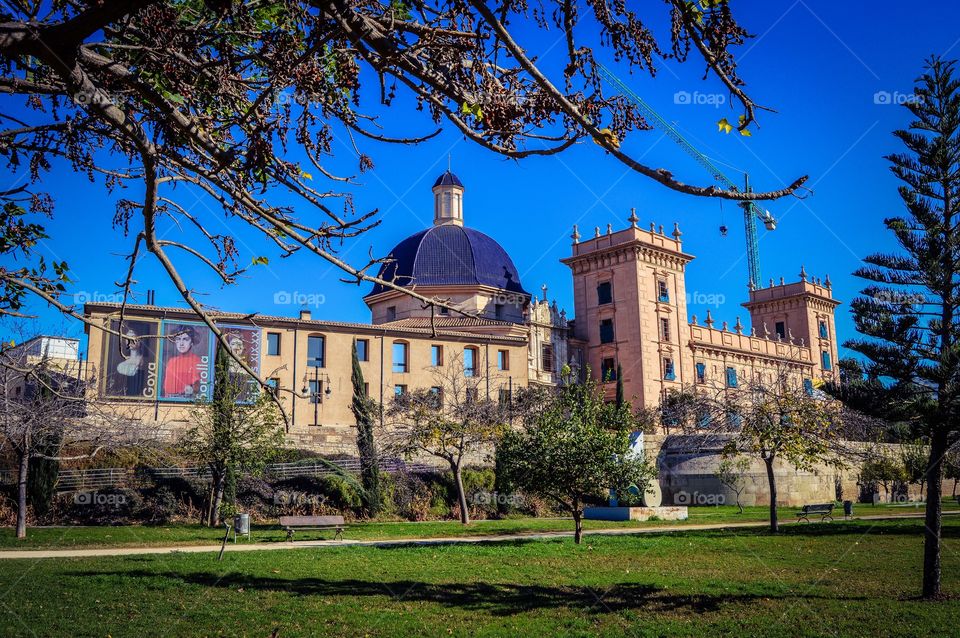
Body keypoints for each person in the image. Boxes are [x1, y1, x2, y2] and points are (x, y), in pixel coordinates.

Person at [162, 326, 202, 397]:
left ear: (192, 342)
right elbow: (166, 389)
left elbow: (197, 386)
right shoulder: (171, 361)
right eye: (178, 339)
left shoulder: (196, 361)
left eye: (185, 339)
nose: (181, 343)